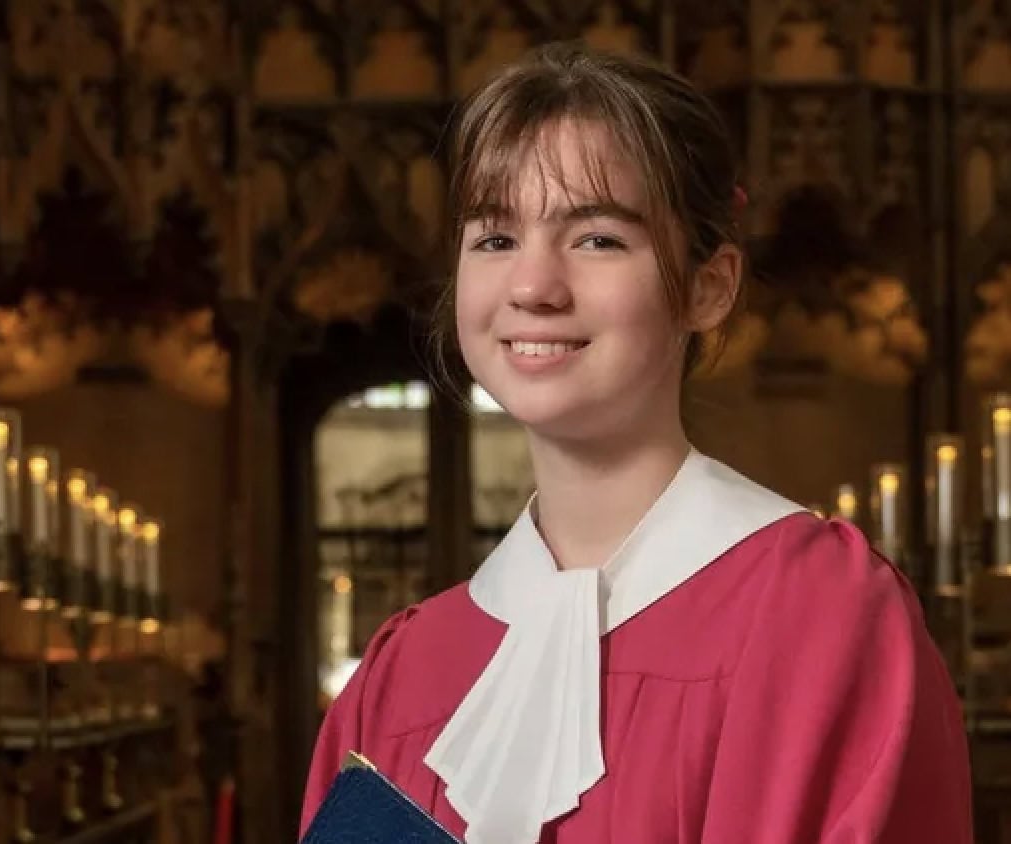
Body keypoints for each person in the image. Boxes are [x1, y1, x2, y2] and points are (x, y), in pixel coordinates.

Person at [299, 42, 972, 844]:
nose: (533, 287)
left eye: (597, 240)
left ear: (708, 287)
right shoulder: (399, 676)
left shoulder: (820, 617)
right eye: (494, 238)